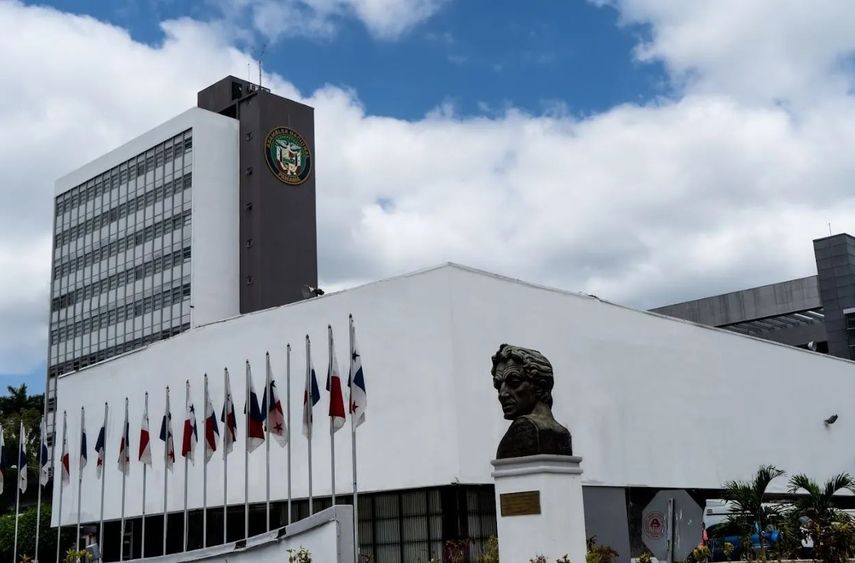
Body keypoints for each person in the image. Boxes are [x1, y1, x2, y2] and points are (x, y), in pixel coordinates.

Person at [491, 343, 573, 458]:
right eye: (498, 386)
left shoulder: (522, 430)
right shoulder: (562, 433)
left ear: (541, 386)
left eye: (514, 382)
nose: (502, 394)